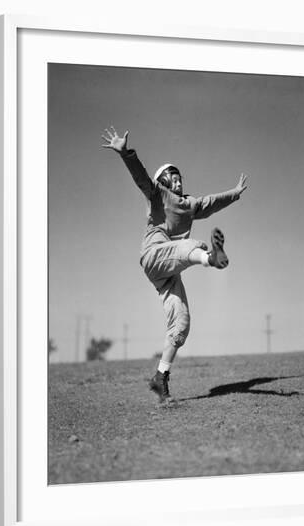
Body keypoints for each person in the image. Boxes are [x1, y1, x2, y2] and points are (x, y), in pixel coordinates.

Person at [102, 126, 248, 403]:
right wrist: (126, 153)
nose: (179, 180)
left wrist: (235, 193)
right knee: (192, 246)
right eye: (174, 177)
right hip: (155, 254)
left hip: (170, 270)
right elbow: (141, 177)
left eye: (180, 176)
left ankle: (160, 378)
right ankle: (210, 258)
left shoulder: (190, 204)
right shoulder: (157, 194)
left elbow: (213, 202)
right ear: (165, 180)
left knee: (180, 324)